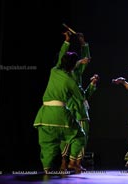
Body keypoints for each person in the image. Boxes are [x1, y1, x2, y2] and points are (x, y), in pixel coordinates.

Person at [33, 31, 87, 174]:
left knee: (47, 144)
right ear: (73, 66)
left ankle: (46, 168)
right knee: (79, 136)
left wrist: (67, 41)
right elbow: (81, 96)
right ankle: (72, 161)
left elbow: (60, 57)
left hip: (44, 114)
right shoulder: (71, 80)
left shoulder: (54, 71)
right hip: (61, 115)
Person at [59, 32, 99, 171]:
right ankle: (64, 162)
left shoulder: (76, 73)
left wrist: (83, 43)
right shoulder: (63, 73)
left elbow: (86, 59)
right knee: (67, 135)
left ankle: (75, 162)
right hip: (69, 107)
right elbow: (69, 65)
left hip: (81, 108)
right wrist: (78, 62)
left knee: (83, 136)